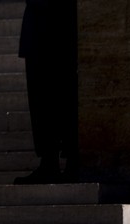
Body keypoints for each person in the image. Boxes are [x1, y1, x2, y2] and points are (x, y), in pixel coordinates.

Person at [16, 0, 79, 184]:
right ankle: (49, 161)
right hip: (39, 25)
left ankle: (70, 160)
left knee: (65, 96)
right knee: (41, 99)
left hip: (63, 24)